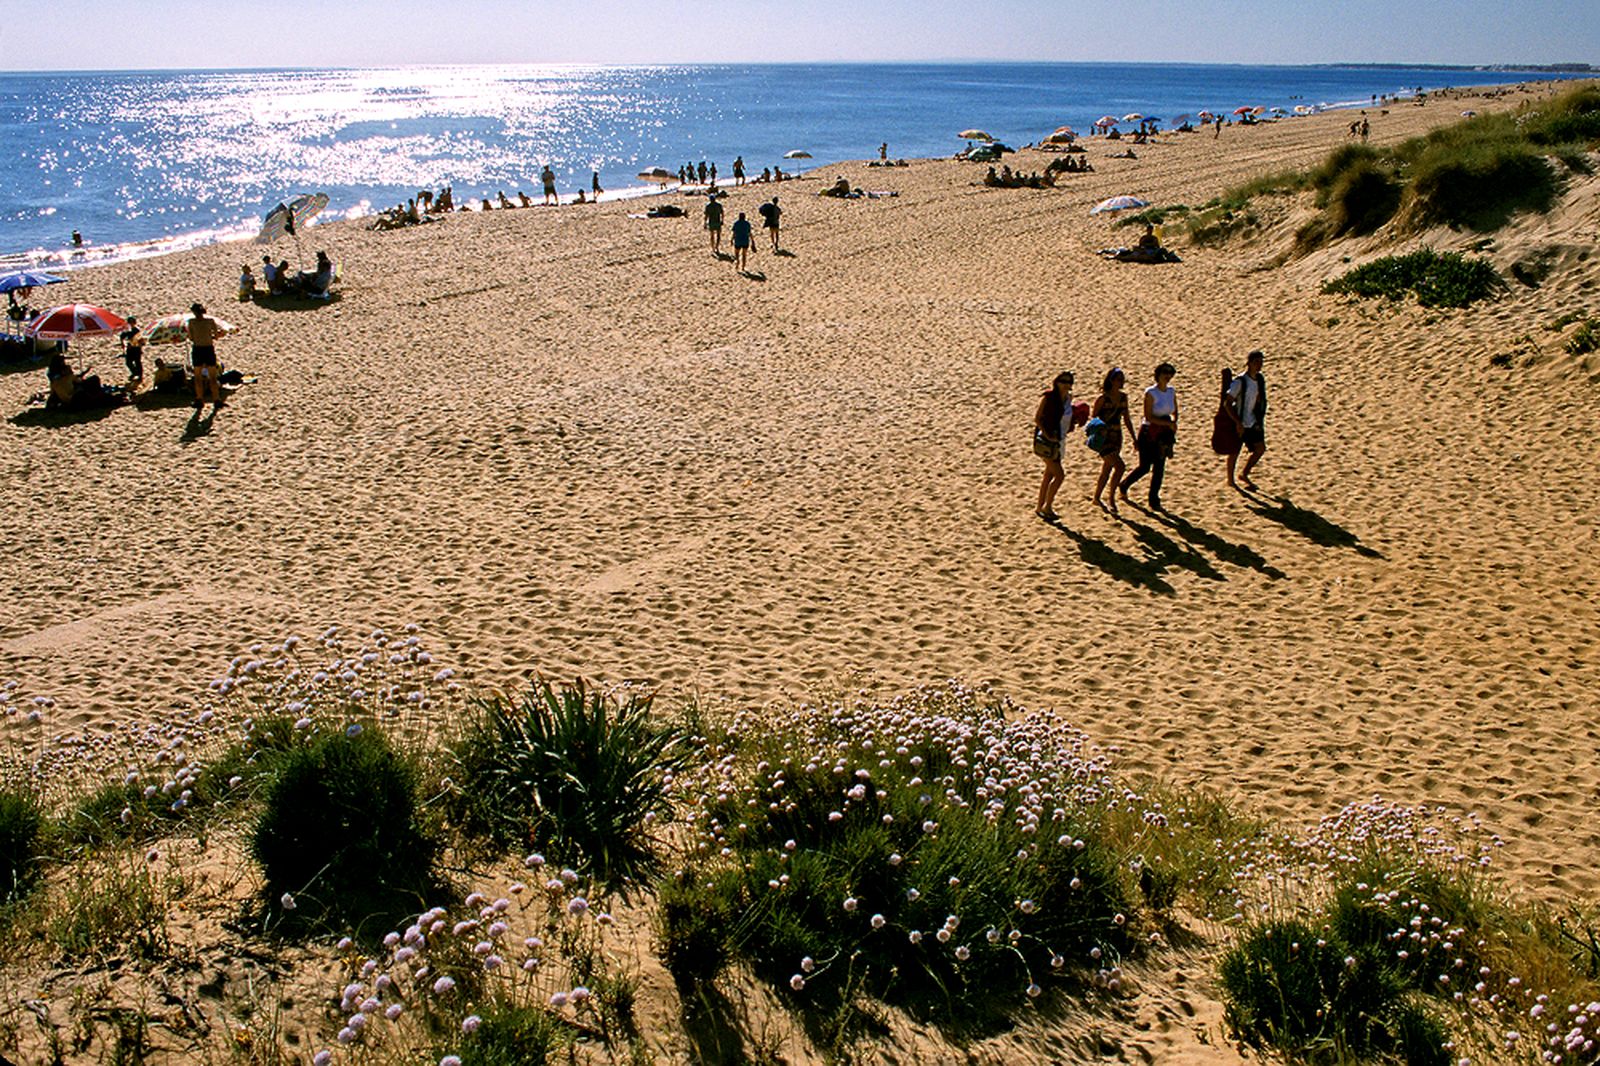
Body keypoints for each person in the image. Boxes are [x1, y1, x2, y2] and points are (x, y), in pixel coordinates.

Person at [1120, 362, 1179, 510]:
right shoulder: (1151, 392)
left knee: (1159, 468)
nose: (1168, 376)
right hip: (1149, 433)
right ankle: (1124, 485)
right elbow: (1148, 416)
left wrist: (1173, 424)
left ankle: (1154, 500)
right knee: (1145, 467)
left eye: (1170, 373)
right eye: (1165, 373)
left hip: (1164, 433)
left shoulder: (1171, 391)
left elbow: (1174, 411)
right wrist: (1167, 424)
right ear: (1158, 374)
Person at [1091, 367, 1137, 515]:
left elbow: (1127, 418)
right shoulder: (1103, 398)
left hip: (1117, 436)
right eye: (1119, 379)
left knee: (1107, 468)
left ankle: (1097, 497)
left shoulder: (1124, 397)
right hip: (1104, 438)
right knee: (1120, 466)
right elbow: (1094, 418)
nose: (1122, 382)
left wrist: (1134, 438)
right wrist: (1101, 429)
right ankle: (1111, 498)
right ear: (1111, 381)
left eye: (1123, 379)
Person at [1033, 371, 1074, 521]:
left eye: (1069, 382)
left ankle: (1040, 506)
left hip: (1060, 440)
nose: (1066, 385)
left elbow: (1066, 418)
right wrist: (1047, 434)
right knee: (1059, 475)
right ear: (1056, 382)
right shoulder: (1049, 397)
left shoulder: (1068, 399)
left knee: (1049, 475)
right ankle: (1047, 507)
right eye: (1063, 381)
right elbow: (1037, 418)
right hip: (1046, 441)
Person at [1226, 349, 1268, 490]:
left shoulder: (1260, 380)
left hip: (1253, 421)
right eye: (1256, 362)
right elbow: (1228, 402)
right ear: (1249, 363)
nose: (1259, 365)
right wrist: (1237, 422)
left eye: (1261, 362)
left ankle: (1244, 474)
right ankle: (1230, 480)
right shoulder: (1240, 382)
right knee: (1234, 452)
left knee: (1260, 449)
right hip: (1240, 422)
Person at [186, 302, 223, 410]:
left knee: (197, 377)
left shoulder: (191, 322)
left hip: (198, 349)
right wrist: (209, 335)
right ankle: (216, 399)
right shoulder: (210, 321)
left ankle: (199, 399)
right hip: (208, 349)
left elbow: (191, 338)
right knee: (212, 376)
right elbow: (215, 336)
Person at [120, 316, 146, 390]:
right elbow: (122, 337)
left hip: (136, 349)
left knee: (137, 362)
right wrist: (122, 343)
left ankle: (140, 375)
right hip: (130, 349)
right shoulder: (127, 330)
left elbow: (140, 340)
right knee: (128, 362)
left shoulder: (137, 330)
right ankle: (135, 372)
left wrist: (139, 345)